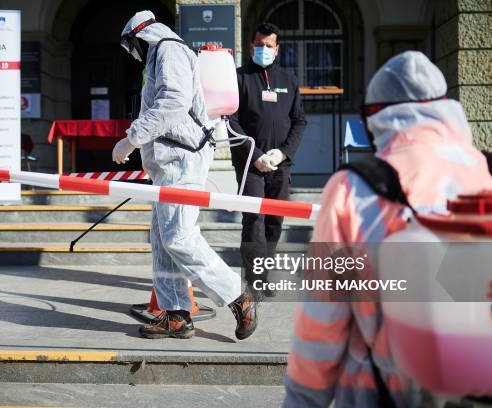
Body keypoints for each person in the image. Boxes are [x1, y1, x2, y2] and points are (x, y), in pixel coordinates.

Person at [283, 51, 492, 407]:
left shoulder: (354, 188)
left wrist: (303, 399)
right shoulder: (486, 171)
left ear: (376, 117)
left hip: (379, 394)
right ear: (445, 108)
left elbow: (322, 319)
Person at [113, 10, 259, 340]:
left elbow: (174, 103)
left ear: (139, 35)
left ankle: (240, 297)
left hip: (182, 159)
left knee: (179, 237)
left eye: (131, 45)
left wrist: (132, 138)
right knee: (164, 243)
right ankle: (176, 315)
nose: (133, 53)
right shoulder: (162, 53)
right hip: (169, 164)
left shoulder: (167, 48)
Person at [228, 22, 306, 297]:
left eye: (268, 46)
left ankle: (263, 275)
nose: (263, 50)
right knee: (254, 220)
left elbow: (299, 121)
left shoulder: (289, 81)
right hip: (250, 163)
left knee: (274, 221)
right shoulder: (238, 78)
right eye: (258, 45)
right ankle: (253, 281)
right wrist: (256, 154)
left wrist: (283, 152)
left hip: (280, 164)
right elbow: (231, 122)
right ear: (251, 47)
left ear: (277, 49)